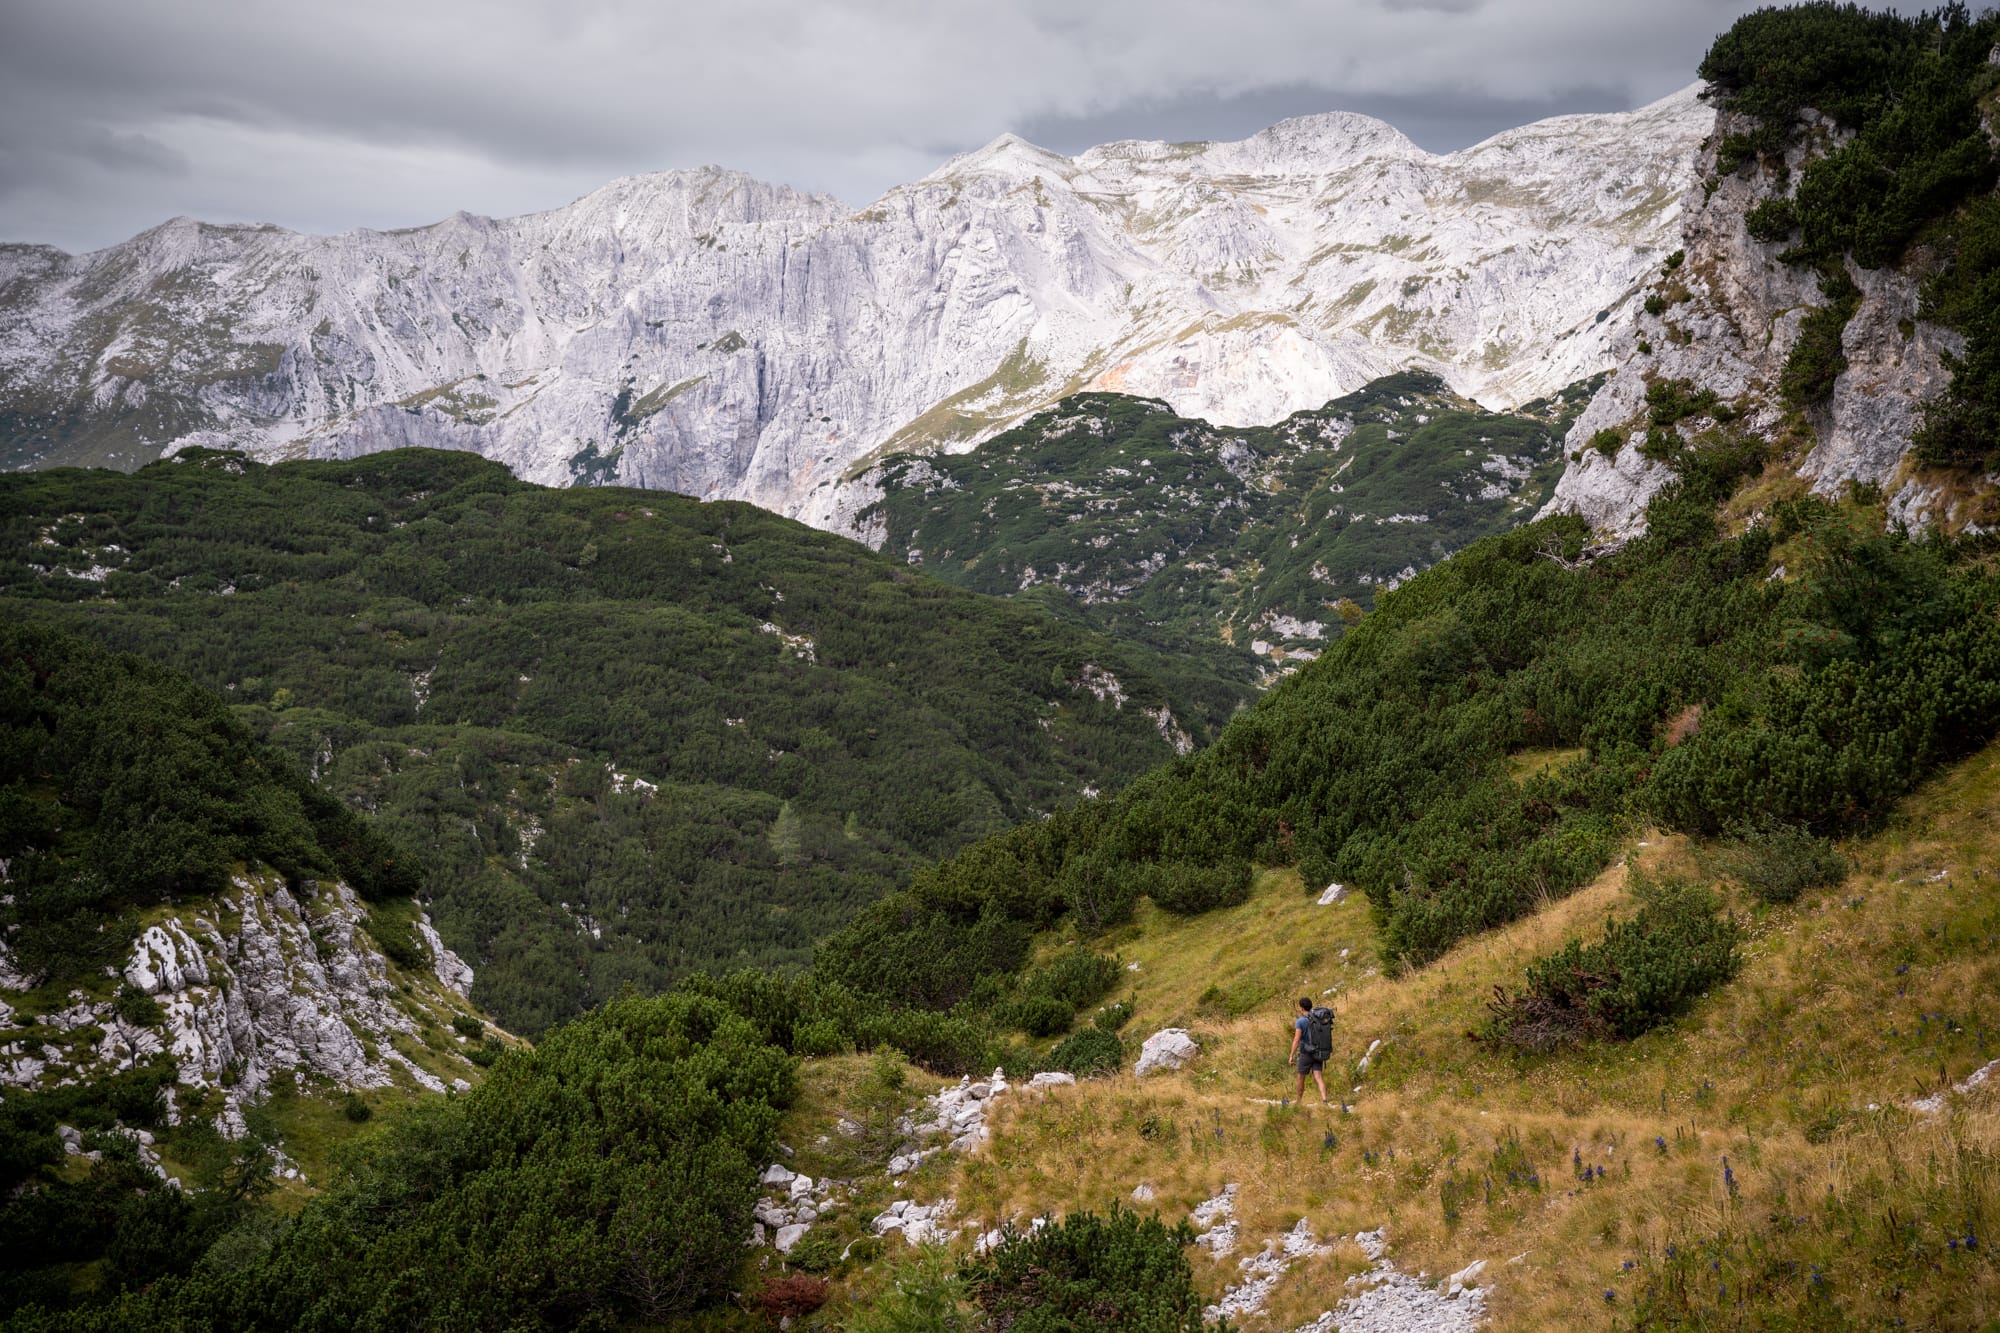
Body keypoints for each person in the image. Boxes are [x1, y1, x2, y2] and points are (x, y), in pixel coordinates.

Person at [1288, 996, 1330, 1104]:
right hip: (1318, 1052)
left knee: (1301, 1077)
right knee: (1318, 1077)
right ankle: (1325, 1100)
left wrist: (1291, 1055)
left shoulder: (1300, 1021)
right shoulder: (1318, 1019)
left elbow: (1296, 1040)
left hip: (1306, 1053)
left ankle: (1298, 1101)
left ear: (1301, 1008)